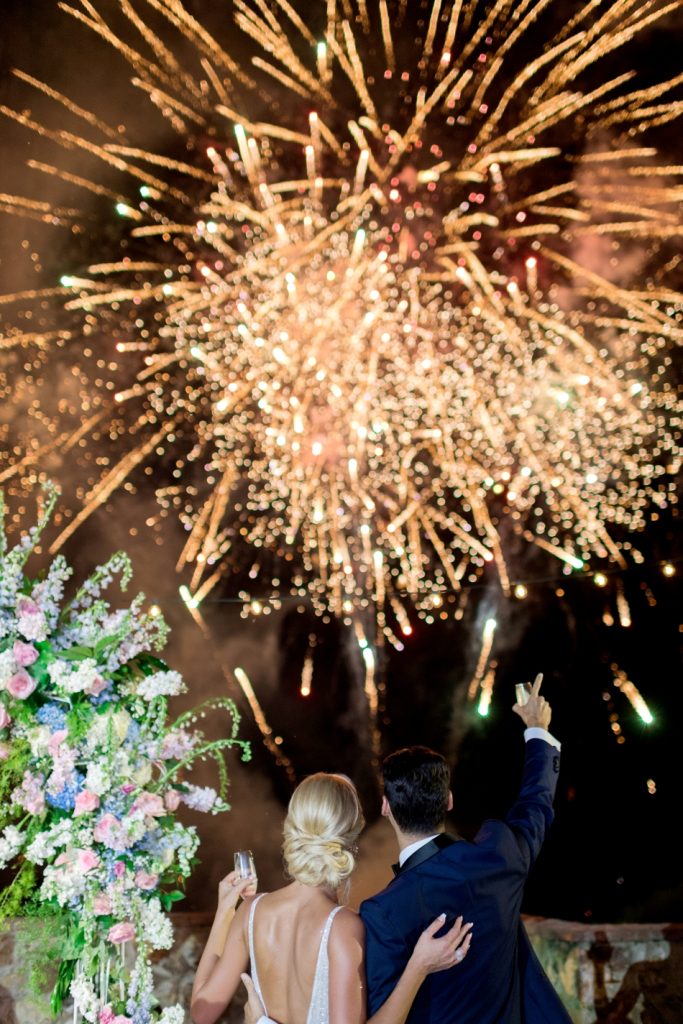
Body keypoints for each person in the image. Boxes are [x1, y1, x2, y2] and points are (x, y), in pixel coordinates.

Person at [359, 673, 572, 1023]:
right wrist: (537, 728)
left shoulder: (381, 912)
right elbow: (536, 803)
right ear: (449, 801)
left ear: (386, 807)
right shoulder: (499, 856)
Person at [190, 772, 472, 1024]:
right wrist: (418, 968)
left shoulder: (250, 911)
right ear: (351, 837)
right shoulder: (342, 927)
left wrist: (225, 910)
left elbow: (201, 1013)